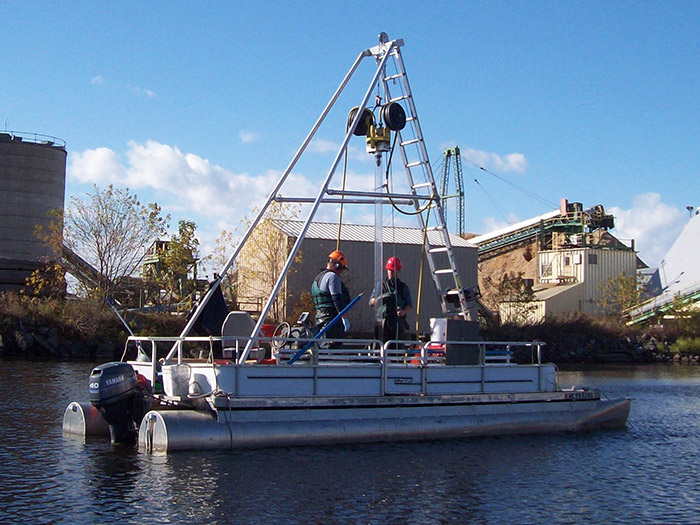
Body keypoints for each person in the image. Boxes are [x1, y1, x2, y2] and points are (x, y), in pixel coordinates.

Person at [369, 256, 412, 343]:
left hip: (397, 323)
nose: (391, 273)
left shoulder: (403, 287)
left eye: (393, 271)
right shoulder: (381, 286)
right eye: (390, 270)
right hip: (382, 322)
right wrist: (379, 299)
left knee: (396, 346)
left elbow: (409, 304)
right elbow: (371, 302)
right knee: (380, 345)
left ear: (398, 271)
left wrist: (403, 312)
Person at [311, 250, 352, 341]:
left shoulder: (318, 278)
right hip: (331, 320)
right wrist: (344, 317)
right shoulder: (333, 277)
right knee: (332, 347)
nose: (341, 272)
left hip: (319, 318)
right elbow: (337, 299)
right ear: (338, 265)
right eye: (342, 268)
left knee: (323, 347)